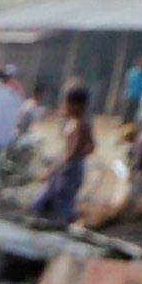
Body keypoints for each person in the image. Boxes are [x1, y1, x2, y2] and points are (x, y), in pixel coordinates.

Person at [34, 84, 97, 222]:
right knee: (45, 202)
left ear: (76, 105)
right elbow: (91, 147)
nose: (63, 106)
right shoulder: (80, 123)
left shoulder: (77, 126)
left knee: (61, 204)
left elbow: (70, 154)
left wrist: (51, 170)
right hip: (70, 168)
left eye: (66, 103)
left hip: (68, 170)